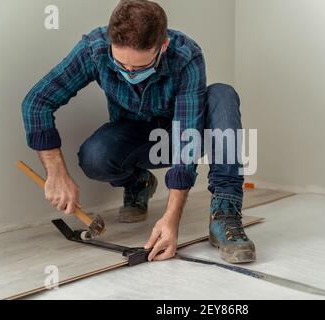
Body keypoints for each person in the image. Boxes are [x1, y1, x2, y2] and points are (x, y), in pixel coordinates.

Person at [22, 0, 255, 264]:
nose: (129, 72)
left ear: (162, 47)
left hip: (183, 135)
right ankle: (138, 183)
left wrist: (171, 219)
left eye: (140, 67)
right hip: (137, 138)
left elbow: (187, 137)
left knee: (222, 94)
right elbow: (36, 102)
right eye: (121, 65)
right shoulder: (94, 49)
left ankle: (225, 211)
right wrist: (56, 173)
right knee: (94, 155)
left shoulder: (186, 55)